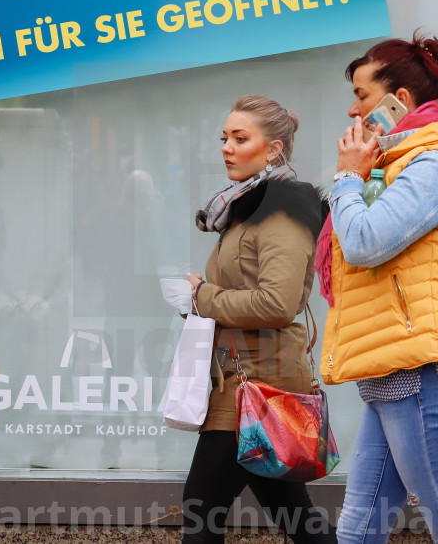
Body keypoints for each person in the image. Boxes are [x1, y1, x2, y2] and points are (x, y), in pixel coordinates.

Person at [319, 33, 438, 544]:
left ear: (402, 102)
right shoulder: (400, 165)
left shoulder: (432, 163)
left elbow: (364, 242)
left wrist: (348, 178)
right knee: (357, 531)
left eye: (363, 95)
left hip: (423, 371)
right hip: (397, 367)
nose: (353, 109)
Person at [176, 95, 334, 544]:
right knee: (294, 516)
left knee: (201, 510)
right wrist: (200, 295)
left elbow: (277, 303)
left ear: (275, 149)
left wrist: (203, 296)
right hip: (246, 379)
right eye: (224, 137)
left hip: (259, 384)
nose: (227, 146)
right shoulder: (245, 211)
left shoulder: (282, 213)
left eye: (240, 138)